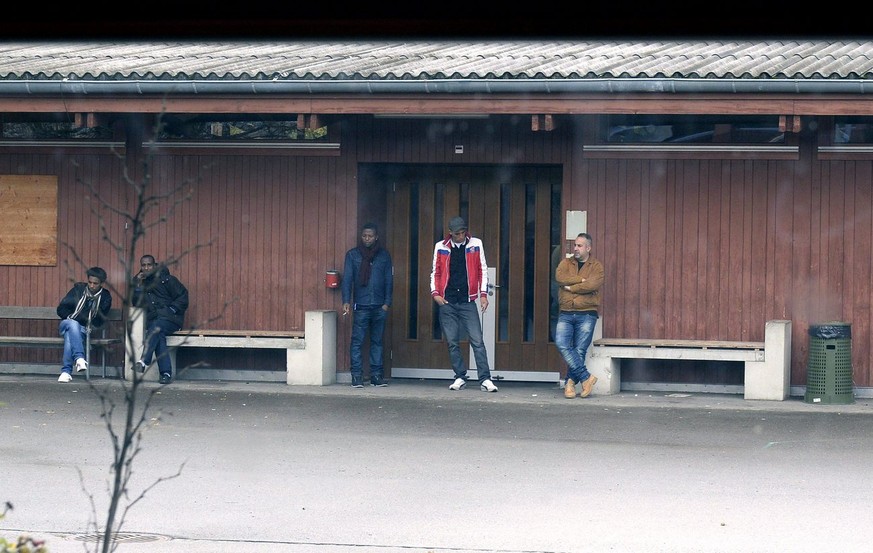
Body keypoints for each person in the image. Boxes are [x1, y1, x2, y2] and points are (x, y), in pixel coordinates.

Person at [430, 216, 498, 392]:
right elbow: (435, 272)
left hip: (468, 300)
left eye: (463, 232)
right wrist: (435, 294)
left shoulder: (475, 244)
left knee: (477, 340)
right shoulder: (441, 246)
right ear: (450, 233)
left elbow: (482, 269)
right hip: (447, 300)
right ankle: (460, 376)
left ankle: (485, 378)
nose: (461, 236)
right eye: (457, 233)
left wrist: (483, 295)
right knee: (452, 341)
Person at [341, 222, 394, 388]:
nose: (367, 239)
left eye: (370, 236)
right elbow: (347, 279)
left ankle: (376, 376)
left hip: (379, 306)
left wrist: (387, 303)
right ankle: (356, 376)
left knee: (377, 341)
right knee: (357, 341)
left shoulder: (384, 256)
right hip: (361, 305)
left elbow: (388, 280)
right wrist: (346, 301)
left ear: (376, 237)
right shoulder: (353, 255)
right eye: (364, 236)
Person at [555, 232, 605, 399]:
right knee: (562, 343)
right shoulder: (565, 263)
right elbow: (560, 277)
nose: (575, 248)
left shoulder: (596, 266)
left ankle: (569, 384)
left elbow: (593, 284)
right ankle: (586, 378)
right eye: (575, 245)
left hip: (587, 313)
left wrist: (572, 287)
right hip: (566, 312)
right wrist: (581, 280)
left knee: (579, 350)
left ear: (588, 248)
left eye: (579, 245)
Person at [132, 254, 189, 385]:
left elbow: (183, 296)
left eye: (149, 265)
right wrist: (139, 285)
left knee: (156, 330)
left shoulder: (167, 279)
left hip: (172, 320)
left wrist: (171, 310)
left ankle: (143, 361)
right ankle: (166, 374)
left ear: (154, 265)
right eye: (143, 265)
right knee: (158, 335)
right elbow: (136, 303)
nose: (146, 268)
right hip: (155, 322)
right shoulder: (139, 282)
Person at [56, 266, 112, 383]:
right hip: (66, 323)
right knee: (72, 324)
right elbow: (61, 309)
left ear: (102, 283)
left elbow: (99, 320)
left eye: (95, 283)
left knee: (70, 336)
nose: (91, 286)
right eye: (90, 282)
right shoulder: (78, 290)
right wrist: (77, 318)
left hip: (84, 329)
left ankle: (66, 372)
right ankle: (80, 358)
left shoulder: (105, 297)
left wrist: (80, 319)